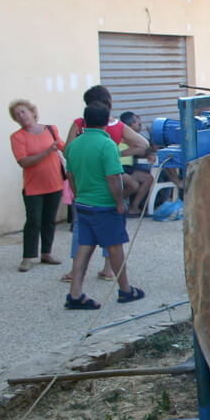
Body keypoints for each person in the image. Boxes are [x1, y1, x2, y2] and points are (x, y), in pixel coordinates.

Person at [63, 103, 145, 310]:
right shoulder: (107, 145)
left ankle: (75, 293)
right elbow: (113, 178)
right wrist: (119, 203)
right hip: (105, 205)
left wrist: (78, 195)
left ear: (85, 121)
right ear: (106, 122)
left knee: (84, 247)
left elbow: (70, 176)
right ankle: (125, 290)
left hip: (83, 204)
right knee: (115, 247)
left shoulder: (73, 145)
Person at [9, 99, 66, 271]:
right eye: (17, 114)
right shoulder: (17, 137)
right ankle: (28, 257)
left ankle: (46, 253)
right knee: (33, 220)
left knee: (50, 220)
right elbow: (24, 162)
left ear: (32, 112)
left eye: (23, 111)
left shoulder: (50, 129)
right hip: (33, 186)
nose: (21, 116)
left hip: (54, 183)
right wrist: (47, 151)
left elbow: (63, 147)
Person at [118, 111, 156, 216]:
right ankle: (115, 204)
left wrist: (148, 155)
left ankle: (133, 207)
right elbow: (141, 148)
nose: (140, 127)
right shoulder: (122, 135)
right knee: (133, 185)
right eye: (138, 124)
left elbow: (141, 151)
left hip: (129, 168)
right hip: (118, 169)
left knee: (148, 178)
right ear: (132, 125)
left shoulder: (133, 137)